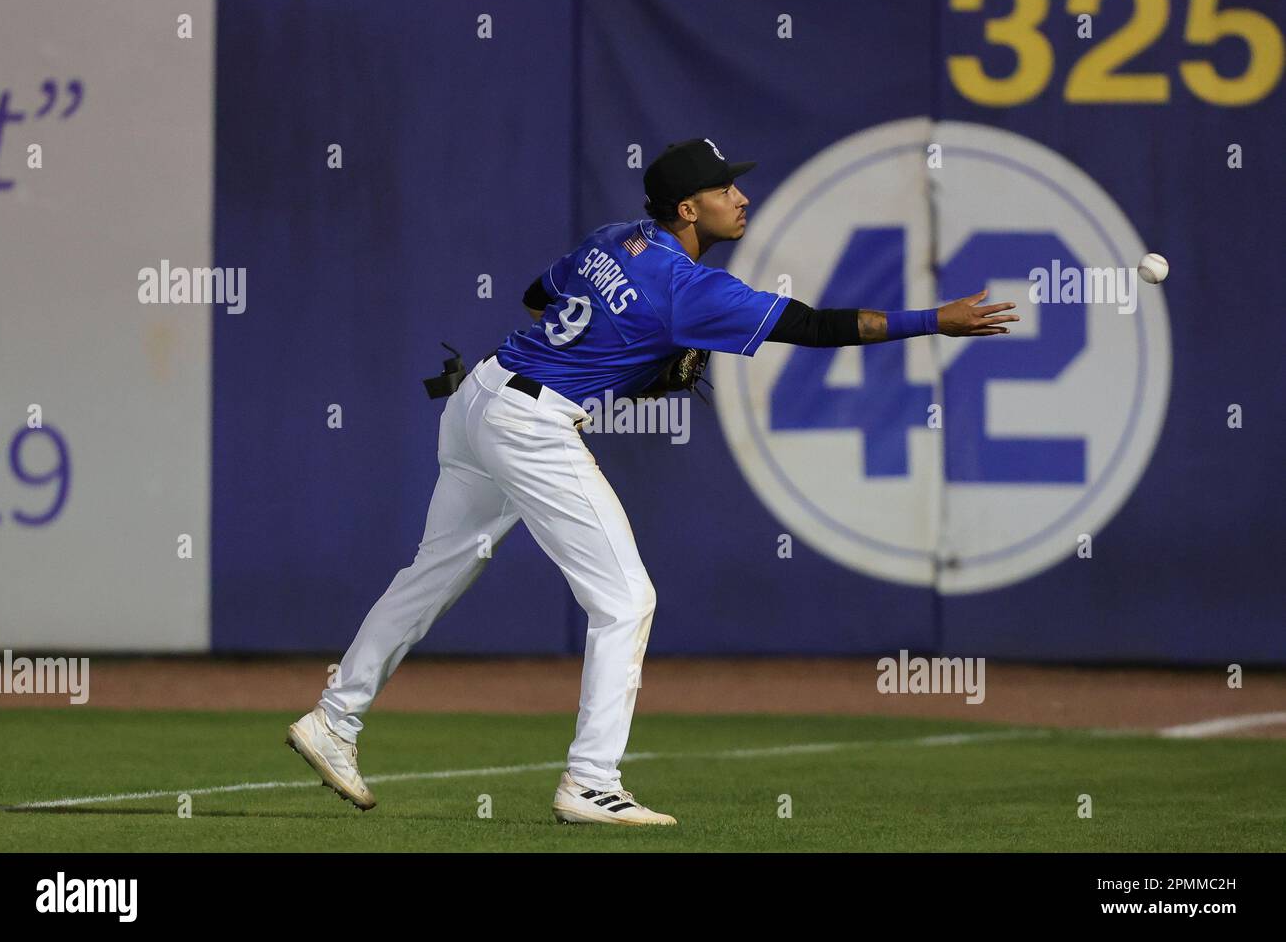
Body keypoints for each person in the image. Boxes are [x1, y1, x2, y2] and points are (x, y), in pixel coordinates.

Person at [286, 138, 1018, 825]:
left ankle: (334, 718)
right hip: (529, 424)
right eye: (723, 187)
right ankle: (592, 782)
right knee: (627, 599)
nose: (740, 196)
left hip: (481, 393)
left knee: (432, 572)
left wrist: (620, 355)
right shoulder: (690, 288)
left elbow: (536, 296)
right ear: (688, 209)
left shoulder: (614, 237)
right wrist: (934, 320)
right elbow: (815, 327)